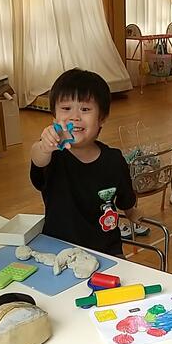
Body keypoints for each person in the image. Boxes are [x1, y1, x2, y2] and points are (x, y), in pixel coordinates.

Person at [30, 69, 142, 257]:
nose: (75, 117)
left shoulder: (114, 160)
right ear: (54, 117)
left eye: (85, 109)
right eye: (66, 108)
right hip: (59, 251)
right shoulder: (52, 155)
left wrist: (131, 212)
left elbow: (125, 198)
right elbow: (37, 157)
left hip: (107, 251)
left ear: (102, 118)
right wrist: (44, 146)